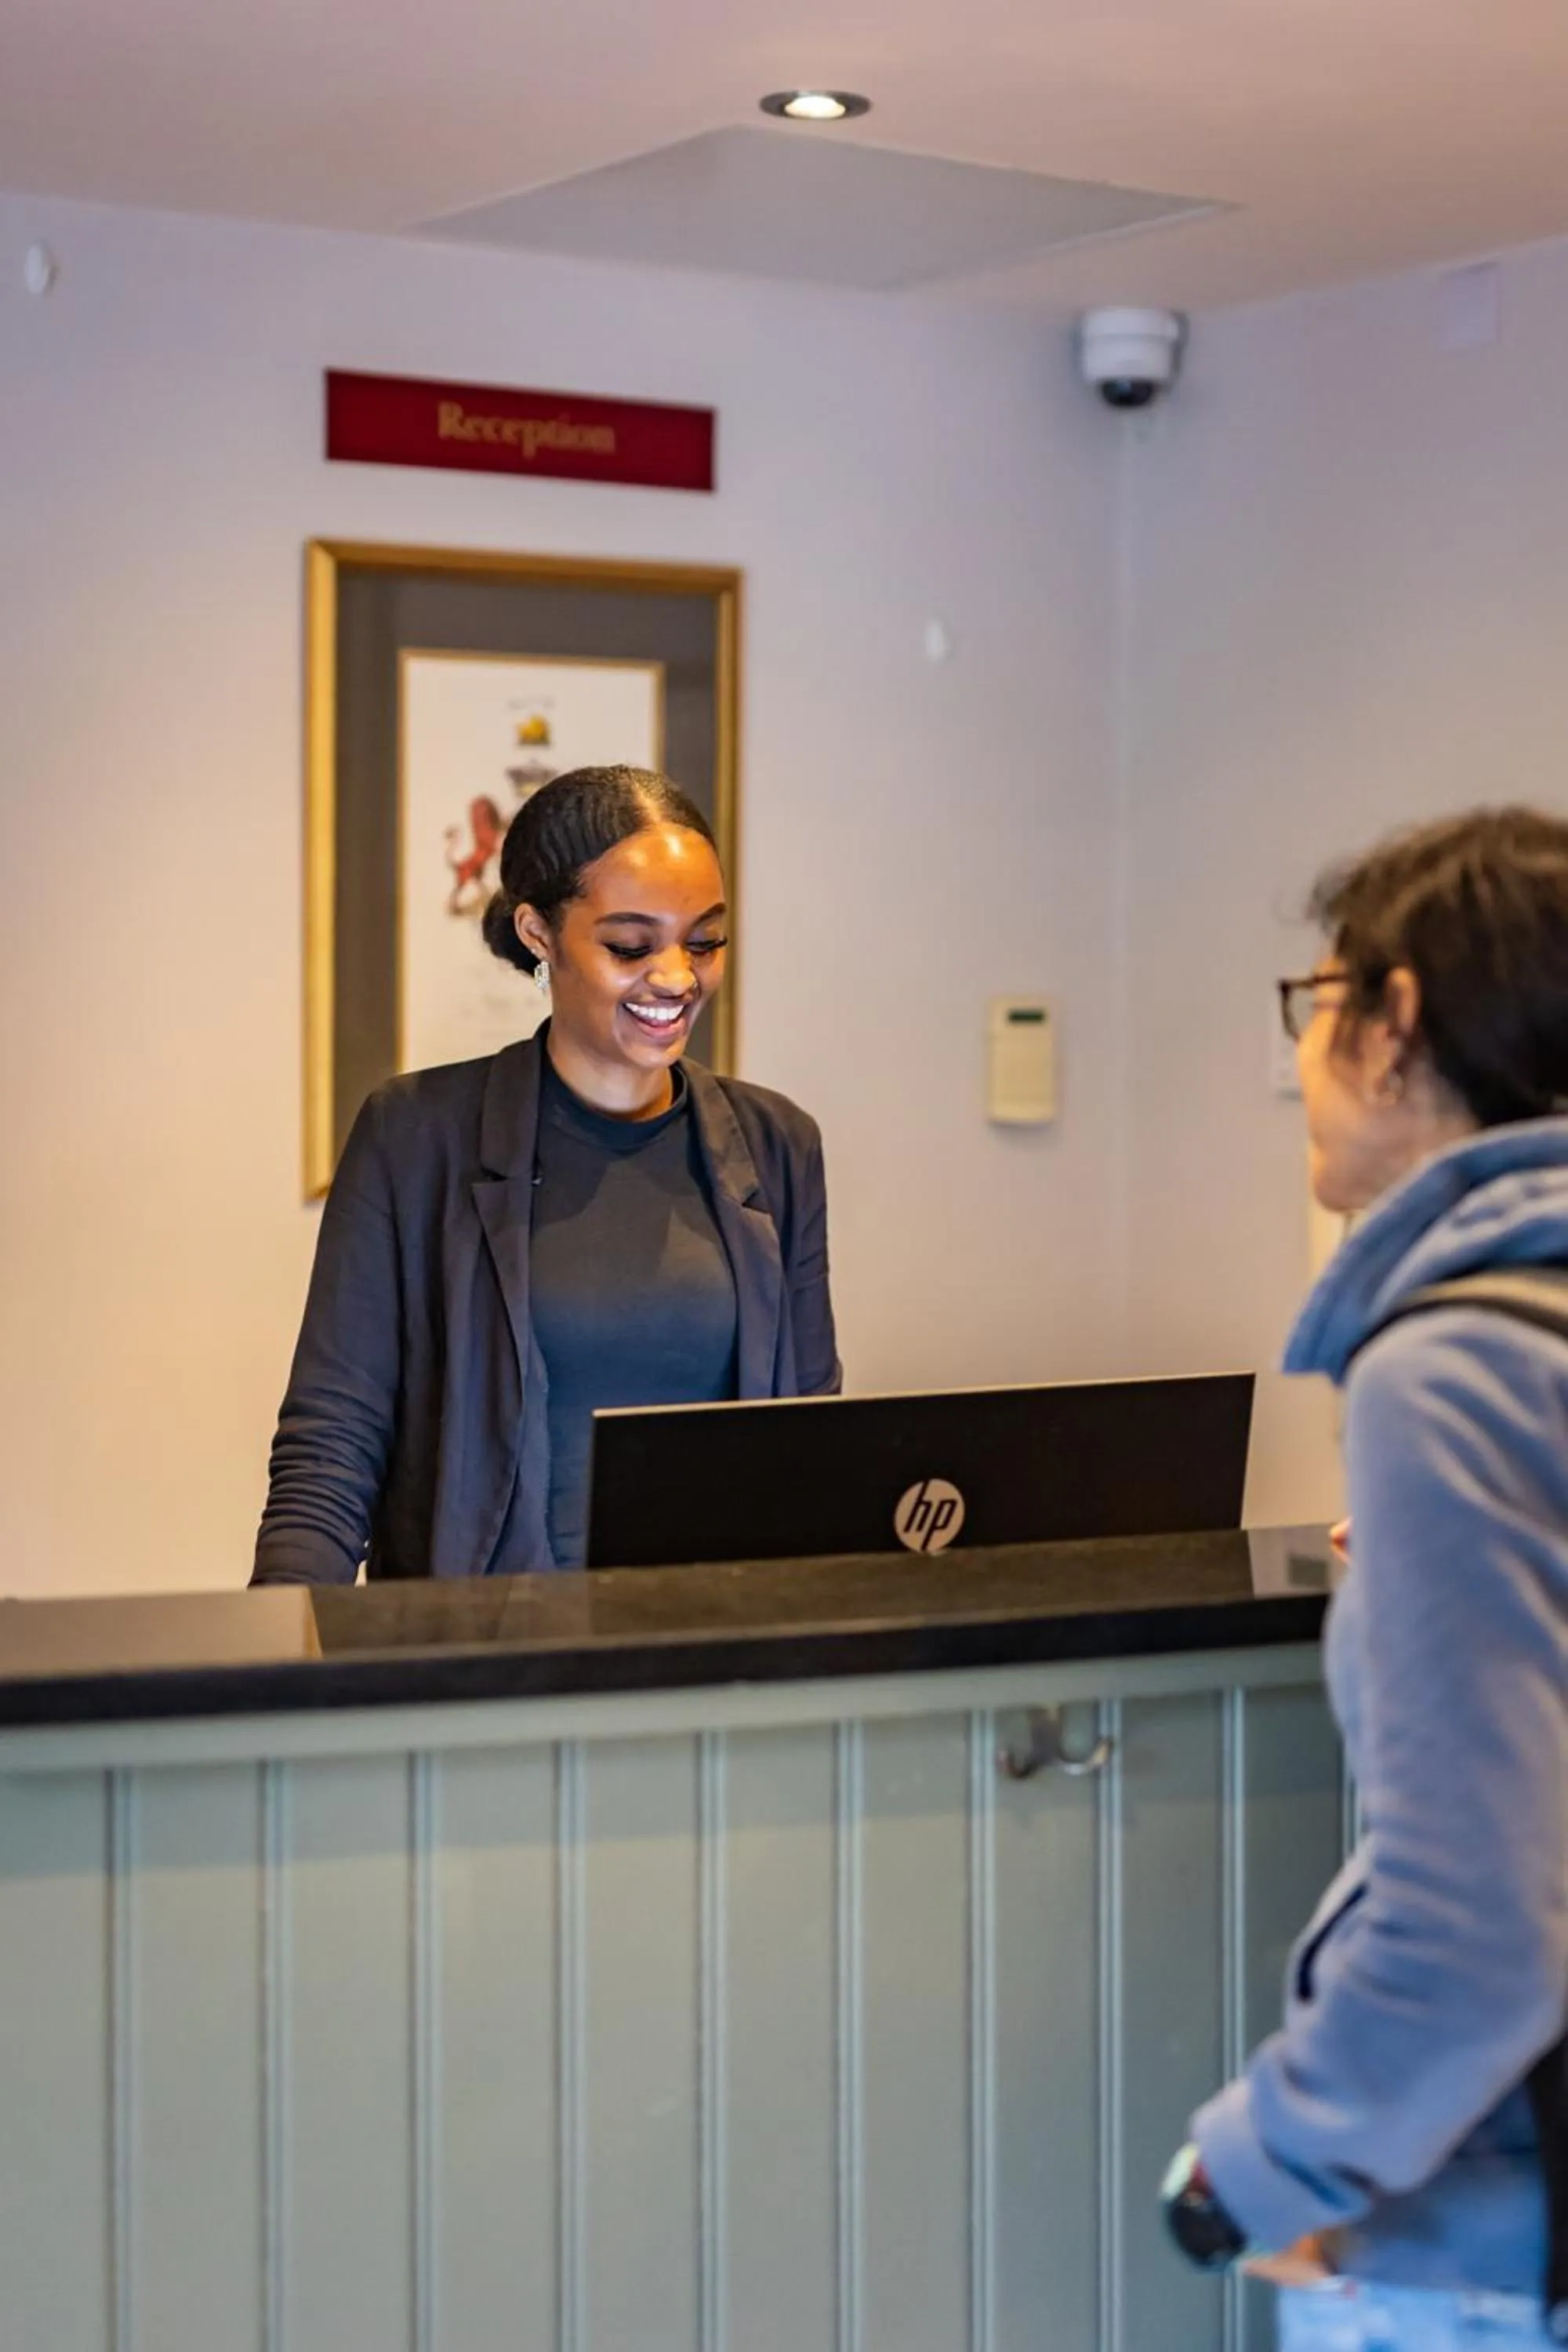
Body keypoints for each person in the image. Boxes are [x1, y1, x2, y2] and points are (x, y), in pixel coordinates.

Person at [1162, 806, 1568, 2348]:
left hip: (1484, 2240)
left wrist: (1255, 2171)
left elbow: (1478, 1923)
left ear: (1396, 1021)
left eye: (1318, 1003)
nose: (1303, 1055)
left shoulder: (1455, 1369)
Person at [252, 765, 839, 1583]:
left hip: (714, 1641)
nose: (677, 977)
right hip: (491, 1649)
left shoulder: (778, 1146)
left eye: (704, 941)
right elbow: (333, 1444)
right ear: (538, 934)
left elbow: (812, 1452)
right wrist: (282, 1643)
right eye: (630, 946)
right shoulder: (414, 1137)